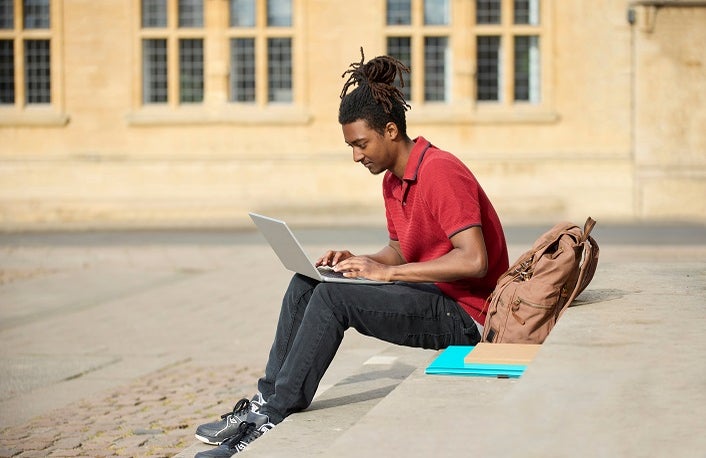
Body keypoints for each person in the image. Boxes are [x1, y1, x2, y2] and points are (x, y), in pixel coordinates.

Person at [193, 49, 509, 457]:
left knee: (333, 298)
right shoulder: (393, 182)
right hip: (432, 294)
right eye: (351, 146)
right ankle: (264, 402)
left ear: (391, 130)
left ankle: (274, 415)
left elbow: (473, 260)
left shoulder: (440, 171)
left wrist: (387, 276)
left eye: (361, 144)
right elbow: (400, 248)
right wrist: (363, 262)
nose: (356, 156)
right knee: (310, 282)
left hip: (469, 314)